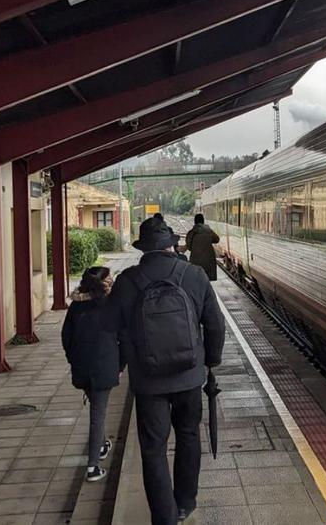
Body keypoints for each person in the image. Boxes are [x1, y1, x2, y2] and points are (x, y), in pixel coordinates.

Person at [112, 217, 225, 524]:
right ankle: (186, 502)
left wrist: (120, 365)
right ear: (172, 245)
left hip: (149, 381)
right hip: (189, 376)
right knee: (189, 435)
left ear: (143, 249)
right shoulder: (195, 275)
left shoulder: (126, 281)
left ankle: (164, 516)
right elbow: (214, 324)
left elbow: (113, 329)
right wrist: (211, 361)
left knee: (153, 448)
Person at [60, 266, 122, 483]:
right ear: (103, 283)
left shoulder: (76, 307)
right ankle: (93, 466)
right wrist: (120, 365)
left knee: (97, 408)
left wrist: (73, 359)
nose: (112, 281)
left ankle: (103, 444)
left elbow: (66, 336)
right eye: (110, 278)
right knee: (98, 415)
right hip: (103, 367)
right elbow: (121, 336)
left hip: (82, 368)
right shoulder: (109, 306)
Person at [185, 214, 221, 281]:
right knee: (206, 281)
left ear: (195, 221)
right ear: (203, 221)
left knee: (196, 280)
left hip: (195, 262)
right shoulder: (209, 231)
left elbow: (189, 247)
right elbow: (217, 239)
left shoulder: (192, 232)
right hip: (208, 261)